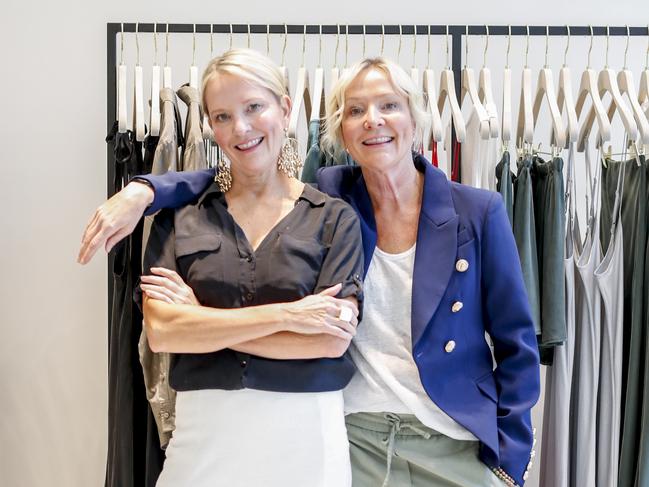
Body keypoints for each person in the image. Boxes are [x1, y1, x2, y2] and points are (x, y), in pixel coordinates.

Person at [79, 56, 540, 487]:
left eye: (389, 106)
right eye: (356, 110)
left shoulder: (476, 211)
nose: (373, 120)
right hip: (355, 435)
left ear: (415, 119)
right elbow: (235, 173)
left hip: (451, 437)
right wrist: (145, 189)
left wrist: (511, 457)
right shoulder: (334, 195)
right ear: (340, 128)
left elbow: (516, 341)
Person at [94, 48, 364, 487]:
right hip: (204, 444)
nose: (240, 128)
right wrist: (289, 316)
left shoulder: (333, 219)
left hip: (307, 446)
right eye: (221, 116)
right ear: (209, 126)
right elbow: (163, 332)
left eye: (254, 107)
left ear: (285, 108)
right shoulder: (181, 217)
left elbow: (329, 342)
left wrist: (202, 322)